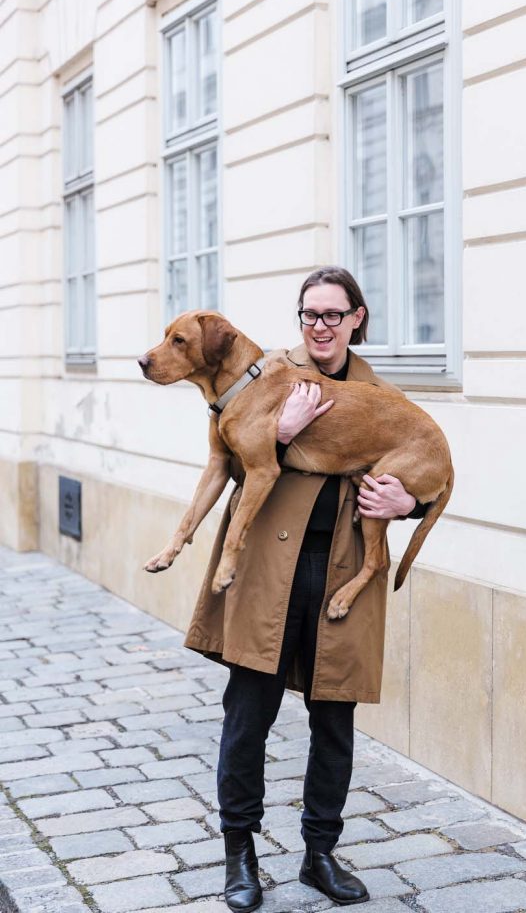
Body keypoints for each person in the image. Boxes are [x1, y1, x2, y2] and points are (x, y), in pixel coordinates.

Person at [183, 266, 425, 911]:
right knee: (248, 713)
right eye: (309, 315)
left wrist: (411, 503)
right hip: (268, 565)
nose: (319, 326)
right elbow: (227, 461)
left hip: (342, 566)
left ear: (357, 319)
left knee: (334, 720)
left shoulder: (383, 395)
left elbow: (418, 473)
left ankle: (320, 854)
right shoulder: (261, 377)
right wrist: (282, 433)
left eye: (332, 315)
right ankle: (240, 854)